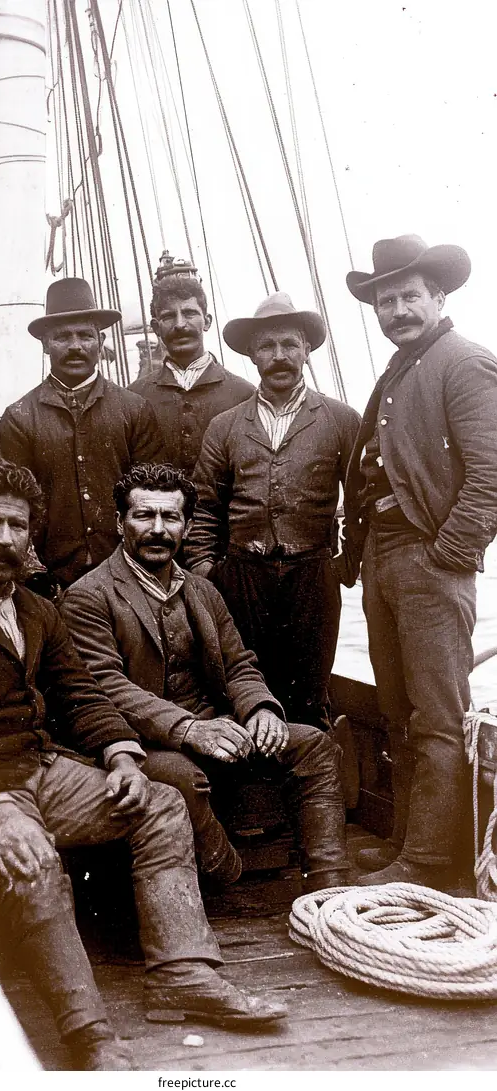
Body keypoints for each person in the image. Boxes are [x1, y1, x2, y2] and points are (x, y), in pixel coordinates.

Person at [0, 457, 287, 1071]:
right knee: (35, 859)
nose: (4, 539)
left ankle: (182, 973)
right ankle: (89, 1035)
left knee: (161, 801)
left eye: (17, 527)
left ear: (30, 537)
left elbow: (80, 695)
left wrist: (123, 756)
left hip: (39, 768)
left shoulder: (32, 608)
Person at [62, 463, 350, 894]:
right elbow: (106, 686)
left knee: (314, 745)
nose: (157, 529)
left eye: (170, 518)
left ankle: (330, 890)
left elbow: (239, 664)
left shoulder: (201, 589)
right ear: (120, 522)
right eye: (144, 516)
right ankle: (226, 870)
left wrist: (261, 709)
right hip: (140, 741)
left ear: (188, 525)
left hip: (214, 725)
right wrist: (190, 729)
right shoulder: (89, 595)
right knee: (181, 774)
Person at [343, 234, 497, 889]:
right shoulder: (399, 369)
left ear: (438, 296)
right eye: (386, 300)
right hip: (384, 559)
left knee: (436, 714)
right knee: (398, 708)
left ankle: (430, 862)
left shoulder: (464, 363)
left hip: (428, 560)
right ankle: (409, 840)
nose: (397, 310)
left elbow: (491, 474)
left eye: (409, 296)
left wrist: (447, 555)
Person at [185, 292, 361, 731]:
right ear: (251, 354)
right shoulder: (225, 426)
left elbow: (361, 504)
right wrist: (207, 571)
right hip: (243, 577)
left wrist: (345, 566)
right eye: (267, 346)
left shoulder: (340, 420)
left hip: (313, 577)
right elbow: (204, 506)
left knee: (310, 694)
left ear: (306, 349)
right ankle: (255, 793)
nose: (279, 356)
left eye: (289, 345)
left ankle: (311, 789)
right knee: (245, 690)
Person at [0, 278, 165, 589]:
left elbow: (153, 498)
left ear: (100, 343)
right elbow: (14, 506)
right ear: (46, 344)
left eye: (85, 336)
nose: (76, 346)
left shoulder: (135, 410)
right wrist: (34, 572)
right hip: (50, 581)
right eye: (63, 337)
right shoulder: (19, 417)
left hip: (129, 575)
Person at [129, 270, 254, 477]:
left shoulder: (243, 394)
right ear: (155, 327)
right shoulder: (135, 398)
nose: (180, 324)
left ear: (207, 321)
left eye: (189, 313)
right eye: (168, 316)